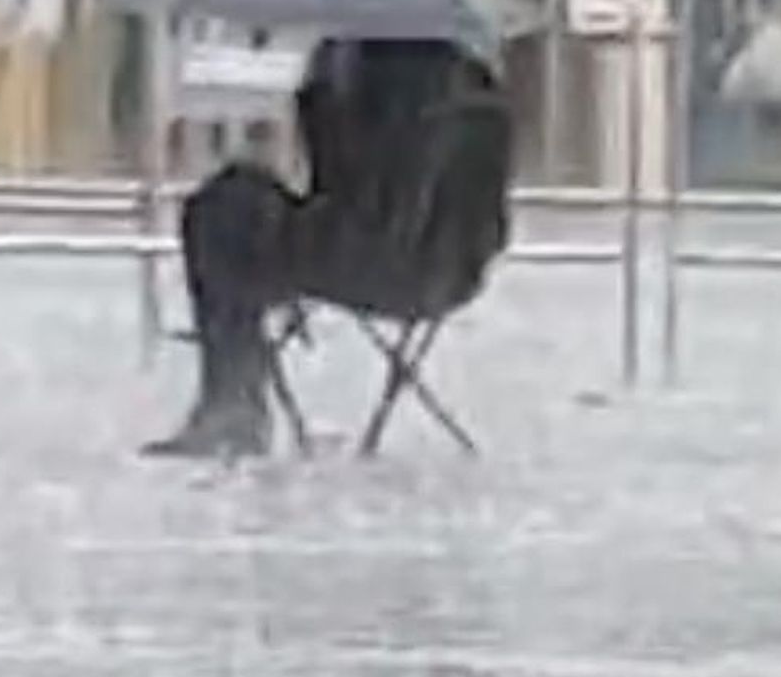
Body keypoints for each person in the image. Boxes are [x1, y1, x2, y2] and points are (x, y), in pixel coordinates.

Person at [144, 36, 510, 457]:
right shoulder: (481, 97)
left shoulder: (375, 78)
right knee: (238, 212)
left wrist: (320, 95)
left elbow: (353, 190)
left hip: (367, 258)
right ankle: (233, 402)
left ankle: (233, 401)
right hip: (452, 274)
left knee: (223, 216)